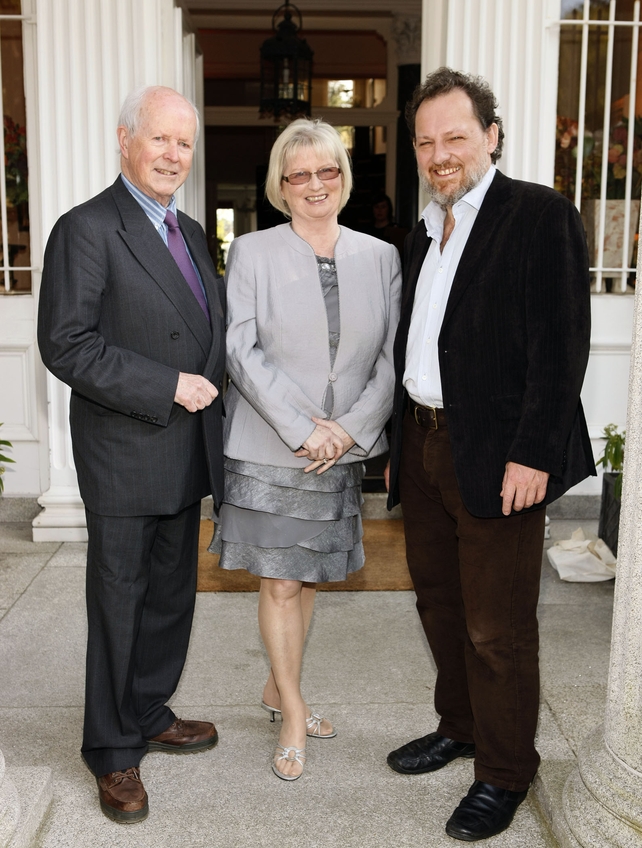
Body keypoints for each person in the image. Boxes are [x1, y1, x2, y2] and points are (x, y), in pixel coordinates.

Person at [385, 68, 595, 842]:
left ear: (492, 136)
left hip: (504, 456)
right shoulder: (425, 230)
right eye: (427, 141)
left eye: (456, 137)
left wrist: (534, 454)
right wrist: (400, 443)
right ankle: (461, 726)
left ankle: (506, 769)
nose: (441, 154)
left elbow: (561, 344)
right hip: (427, 445)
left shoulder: (538, 215)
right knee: (438, 605)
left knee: (496, 628)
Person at [38, 86, 226, 824]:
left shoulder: (195, 233)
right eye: (160, 139)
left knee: (171, 598)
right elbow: (67, 343)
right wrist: (168, 384)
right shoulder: (85, 228)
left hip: (186, 454)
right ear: (125, 140)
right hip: (125, 451)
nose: (174, 154)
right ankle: (113, 750)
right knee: (119, 604)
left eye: (185, 143)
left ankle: (148, 708)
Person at [214, 118, 401, 781]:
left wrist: (348, 429)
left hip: (339, 450)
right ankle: (293, 707)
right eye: (299, 175)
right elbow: (241, 348)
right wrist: (304, 428)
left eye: (327, 171)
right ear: (280, 186)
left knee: (309, 574)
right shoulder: (253, 253)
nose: (314, 184)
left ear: (344, 179)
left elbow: (389, 359)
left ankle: (276, 686)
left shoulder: (381, 257)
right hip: (273, 447)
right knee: (281, 579)